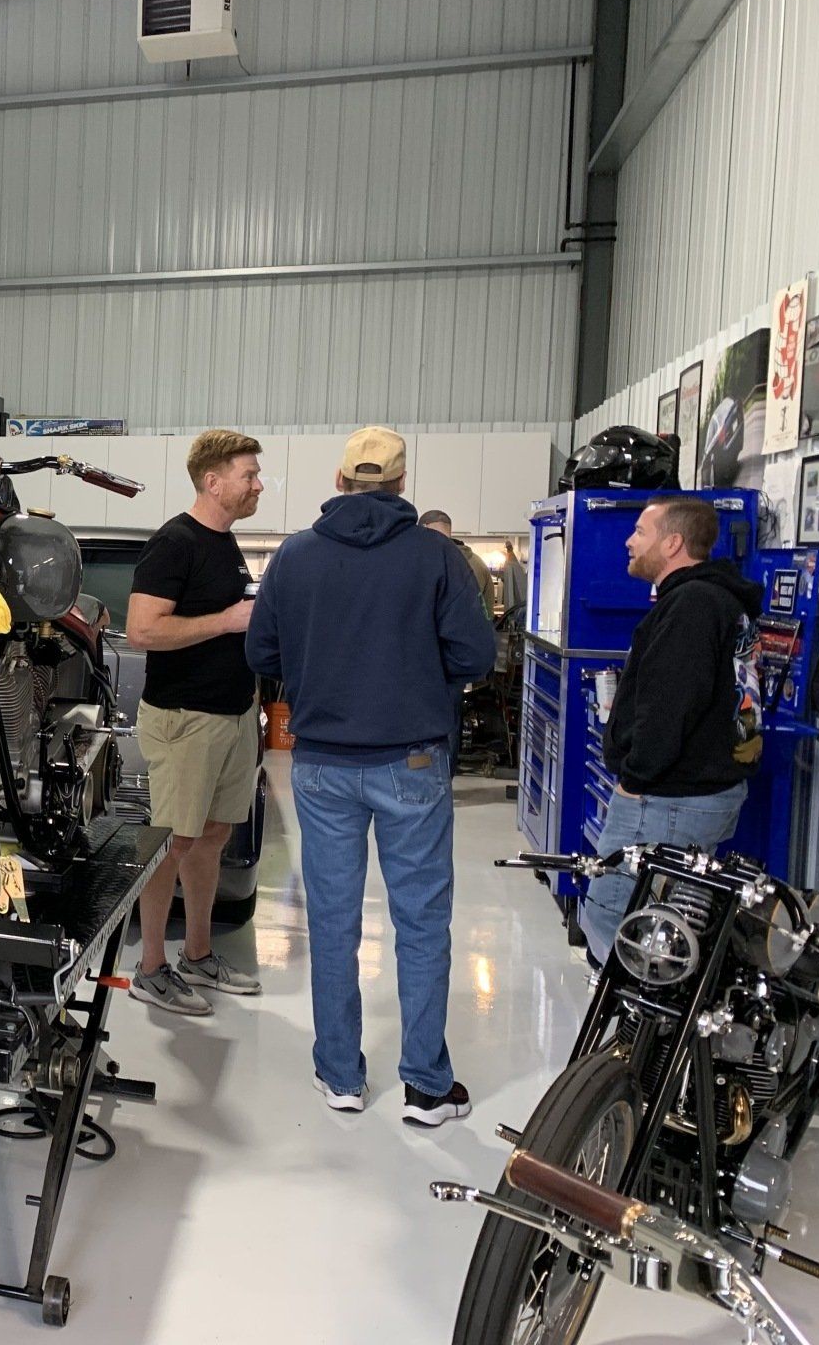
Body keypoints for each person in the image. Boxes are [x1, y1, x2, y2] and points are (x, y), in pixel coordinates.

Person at [247, 427, 495, 1125]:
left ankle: (340, 1076)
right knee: (421, 921)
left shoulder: (295, 556)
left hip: (322, 763)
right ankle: (426, 1086)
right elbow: (476, 656)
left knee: (331, 921)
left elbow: (261, 651)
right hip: (412, 759)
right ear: (401, 482)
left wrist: (318, 672)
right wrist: (416, 673)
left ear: (339, 480)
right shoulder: (436, 556)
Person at [123, 429, 267, 1017]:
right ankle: (150, 968)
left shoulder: (224, 542)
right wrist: (227, 621)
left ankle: (199, 955)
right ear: (213, 481)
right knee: (171, 843)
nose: (258, 485)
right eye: (249, 475)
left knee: (212, 837)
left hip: (232, 716)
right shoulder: (174, 542)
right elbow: (142, 630)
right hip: (186, 721)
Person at [579, 497, 761, 962]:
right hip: (697, 792)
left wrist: (635, 777)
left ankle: (640, 1008)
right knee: (666, 926)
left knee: (614, 920)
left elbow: (670, 706)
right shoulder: (718, 601)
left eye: (641, 531)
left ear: (673, 542)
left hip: (668, 797)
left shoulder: (692, 605)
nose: (629, 541)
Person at [418, 509, 496, 768]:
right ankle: (445, 776)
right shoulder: (476, 564)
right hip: (454, 663)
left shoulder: (429, 562)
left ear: (423, 528)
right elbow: (484, 619)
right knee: (449, 722)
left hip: (428, 662)